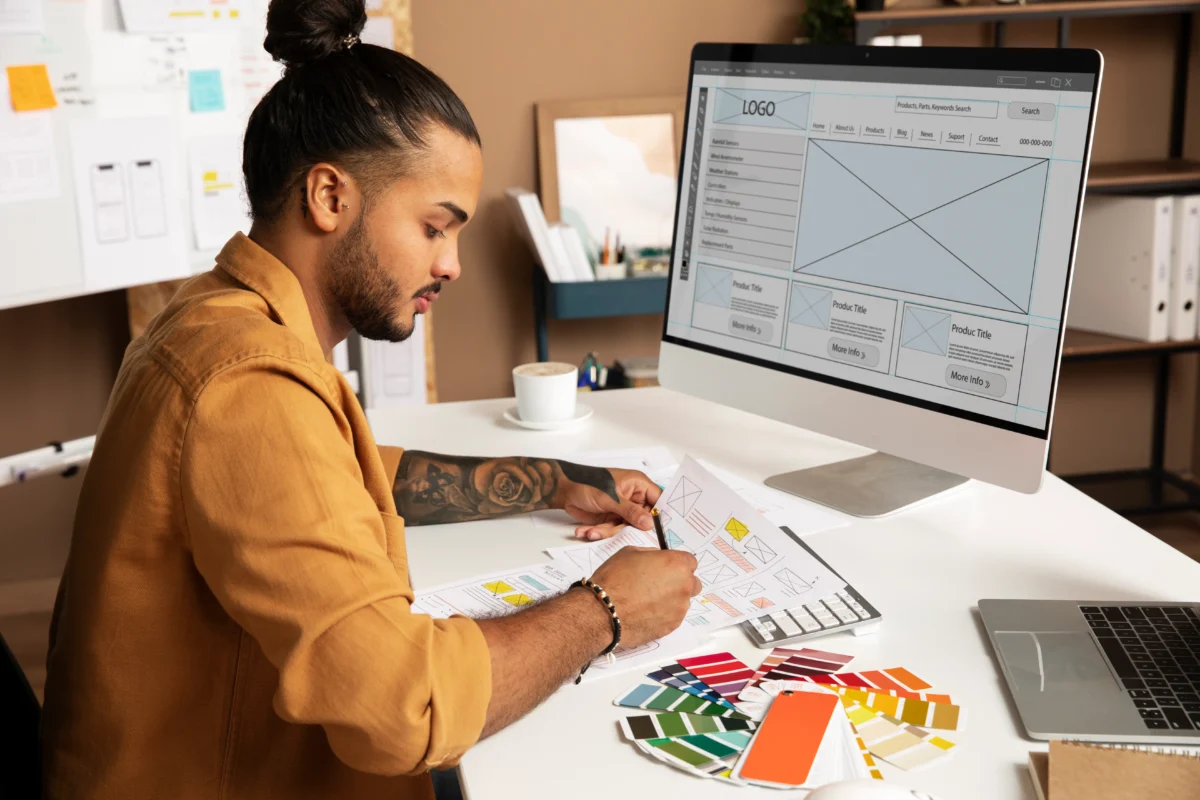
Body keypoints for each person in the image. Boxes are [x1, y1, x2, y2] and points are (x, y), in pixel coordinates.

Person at [39, 1, 700, 798]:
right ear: (330, 198)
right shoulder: (248, 382)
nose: (452, 265)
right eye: (434, 227)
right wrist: (606, 609)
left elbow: (335, 478)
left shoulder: (212, 314)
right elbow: (402, 708)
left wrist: (552, 478)